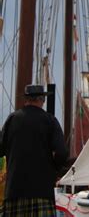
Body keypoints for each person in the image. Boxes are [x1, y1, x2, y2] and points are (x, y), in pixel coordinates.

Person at [0, 85, 68, 216]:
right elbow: (62, 153)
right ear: (42, 100)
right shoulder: (50, 121)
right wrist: (54, 171)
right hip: (42, 191)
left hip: (15, 190)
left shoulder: (12, 119)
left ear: (26, 100)